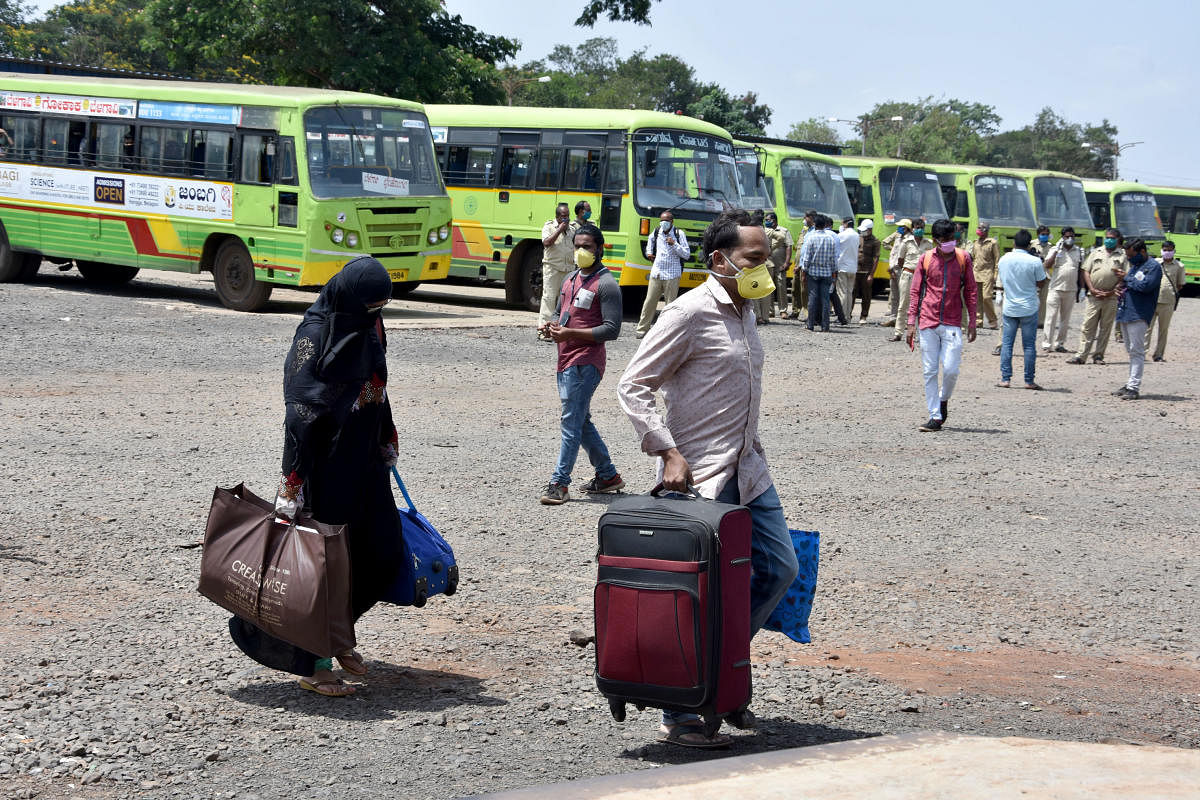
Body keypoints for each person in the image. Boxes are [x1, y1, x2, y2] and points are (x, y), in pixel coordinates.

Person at [617, 209, 797, 749]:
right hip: (699, 481)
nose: (766, 269)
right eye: (755, 259)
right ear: (719, 260)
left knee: (779, 569)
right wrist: (667, 451)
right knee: (697, 595)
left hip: (750, 469)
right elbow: (634, 385)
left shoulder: (746, 311)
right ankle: (682, 709)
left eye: (768, 259)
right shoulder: (688, 313)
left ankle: (718, 673)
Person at [230, 257, 403, 698]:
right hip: (323, 465)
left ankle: (337, 634)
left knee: (378, 553)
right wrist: (292, 485)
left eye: (380, 307)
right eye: (370, 306)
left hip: (364, 462)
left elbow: (378, 385)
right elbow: (301, 414)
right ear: (348, 296)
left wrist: (387, 436)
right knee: (320, 566)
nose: (375, 314)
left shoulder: (371, 322)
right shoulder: (315, 333)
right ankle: (315, 662)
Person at [538, 223, 624, 504]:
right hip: (565, 358)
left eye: (587, 247)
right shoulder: (571, 279)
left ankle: (559, 483)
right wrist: (553, 326)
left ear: (600, 248)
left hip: (586, 363)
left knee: (570, 422)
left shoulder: (607, 284)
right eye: (577, 246)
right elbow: (561, 312)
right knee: (580, 420)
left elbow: (612, 329)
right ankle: (607, 475)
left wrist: (571, 334)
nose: (581, 251)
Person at [905, 219, 977, 431]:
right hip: (928, 321)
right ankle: (935, 417)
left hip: (953, 321)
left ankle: (943, 399)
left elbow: (971, 290)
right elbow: (916, 292)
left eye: (951, 239)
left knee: (952, 369)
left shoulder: (963, 258)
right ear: (936, 240)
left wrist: (973, 321)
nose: (949, 243)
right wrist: (911, 322)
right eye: (944, 240)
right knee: (929, 371)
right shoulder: (925, 259)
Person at [995, 230, 1048, 390]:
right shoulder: (1034, 261)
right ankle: (1029, 380)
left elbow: (1003, 279)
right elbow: (1041, 282)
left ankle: (1005, 379)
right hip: (1029, 307)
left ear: (1014, 243)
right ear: (1029, 244)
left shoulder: (1004, 259)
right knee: (1029, 346)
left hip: (1010, 306)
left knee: (1007, 344)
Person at [1067, 228, 1127, 365]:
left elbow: (1124, 277)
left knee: (1105, 328)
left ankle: (1099, 356)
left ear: (1117, 240)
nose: (1109, 240)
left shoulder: (1122, 255)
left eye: (1112, 238)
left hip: (1111, 297)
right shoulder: (1096, 252)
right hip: (1094, 295)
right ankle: (1081, 356)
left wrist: (1111, 292)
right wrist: (1092, 289)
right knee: (1088, 326)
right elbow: (1086, 271)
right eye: (1107, 237)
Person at [1113, 238, 1163, 400]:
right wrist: (1120, 289)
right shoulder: (1135, 266)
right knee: (1130, 350)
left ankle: (1134, 387)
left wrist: (1126, 277)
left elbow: (1145, 286)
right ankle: (1129, 384)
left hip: (1139, 314)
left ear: (1142, 252)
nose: (1129, 258)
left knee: (1137, 351)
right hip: (1127, 312)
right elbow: (1131, 285)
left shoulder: (1153, 267)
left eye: (1131, 255)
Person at [636, 211, 690, 338]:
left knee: (670, 305)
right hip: (657, 272)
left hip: (672, 274)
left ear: (672, 222)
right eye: (662, 220)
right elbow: (649, 245)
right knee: (649, 302)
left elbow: (686, 254)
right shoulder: (656, 232)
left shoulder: (679, 234)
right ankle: (642, 330)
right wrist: (649, 253)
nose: (663, 223)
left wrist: (674, 244)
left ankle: (667, 332)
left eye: (666, 221)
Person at [888, 218, 933, 342]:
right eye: (917, 227)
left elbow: (931, 261)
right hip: (908, 275)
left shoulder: (928, 243)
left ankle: (918, 333)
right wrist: (910, 270)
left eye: (921, 228)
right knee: (903, 304)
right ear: (912, 229)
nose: (919, 230)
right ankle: (898, 333)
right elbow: (900, 260)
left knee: (922, 306)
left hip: (923, 277)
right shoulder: (906, 242)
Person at [537, 203, 578, 341]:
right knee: (549, 299)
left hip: (568, 269)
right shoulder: (549, 226)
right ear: (557, 216)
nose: (566, 219)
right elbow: (547, 242)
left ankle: (560, 332)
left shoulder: (572, 229)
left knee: (566, 301)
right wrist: (559, 229)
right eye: (563, 216)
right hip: (552, 268)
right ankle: (543, 331)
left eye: (567, 216)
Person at [1041, 227, 1083, 353]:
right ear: (1062, 237)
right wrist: (1057, 251)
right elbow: (1047, 265)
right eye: (1067, 236)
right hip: (1055, 288)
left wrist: (1082, 289)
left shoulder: (1078, 251)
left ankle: (1060, 343)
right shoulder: (1055, 249)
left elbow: (1080, 270)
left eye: (1072, 236)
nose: (1069, 239)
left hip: (1071, 289)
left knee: (1065, 319)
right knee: (1051, 317)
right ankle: (1047, 344)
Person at [799, 213, 840, 332]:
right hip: (827, 273)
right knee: (825, 300)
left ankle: (810, 325)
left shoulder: (811, 238)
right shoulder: (830, 239)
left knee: (812, 299)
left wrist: (803, 272)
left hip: (813, 273)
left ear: (815, 224)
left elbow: (807, 258)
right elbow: (834, 259)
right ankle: (825, 326)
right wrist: (834, 273)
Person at [1146, 241, 1184, 362]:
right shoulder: (1154, 263)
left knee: (1163, 330)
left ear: (1174, 251)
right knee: (1147, 328)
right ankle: (1141, 353)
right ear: (1161, 250)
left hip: (1168, 302)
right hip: (1152, 301)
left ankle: (1158, 355)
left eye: (1169, 250)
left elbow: (1180, 284)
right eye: (1165, 249)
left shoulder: (1179, 266)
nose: (1167, 252)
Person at [967, 223, 1000, 330]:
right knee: (977, 299)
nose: (979, 230)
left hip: (988, 274)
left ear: (986, 230)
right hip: (976, 273)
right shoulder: (975, 243)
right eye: (978, 227)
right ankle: (978, 320)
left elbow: (997, 260)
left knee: (987, 297)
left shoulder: (992, 243)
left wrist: (995, 275)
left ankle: (992, 320)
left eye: (981, 228)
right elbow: (973, 258)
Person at [879, 218, 909, 327]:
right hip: (893, 268)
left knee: (904, 295)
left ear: (907, 228)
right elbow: (887, 245)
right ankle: (893, 318)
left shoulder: (910, 239)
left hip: (902, 269)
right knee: (894, 295)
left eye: (902, 226)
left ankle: (904, 320)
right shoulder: (897, 235)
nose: (899, 228)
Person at [786, 210, 816, 319]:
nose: (804, 220)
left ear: (811, 218)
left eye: (806, 217)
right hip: (798, 264)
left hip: (805, 265)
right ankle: (796, 310)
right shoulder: (804, 230)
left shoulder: (814, 232)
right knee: (795, 288)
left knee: (804, 290)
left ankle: (807, 313)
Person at [764, 211, 792, 320]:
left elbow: (788, 247)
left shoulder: (784, 231)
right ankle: (770, 310)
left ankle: (783, 310)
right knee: (769, 287)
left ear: (774, 221)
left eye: (768, 220)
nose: (766, 222)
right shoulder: (765, 231)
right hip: (768, 263)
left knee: (781, 287)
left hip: (780, 264)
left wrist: (786, 262)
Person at [855, 218, 880, 323]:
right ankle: (848, 315)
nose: (863, 232)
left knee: (866, 295)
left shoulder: (875, 241)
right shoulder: (858, 238)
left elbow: (876, 258)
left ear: (870, 230)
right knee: (853, 293)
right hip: (856, 270)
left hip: (866, 272)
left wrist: (871, 275)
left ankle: (863, 316)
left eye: (865, 230)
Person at [835, 217, 860, 318]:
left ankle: (841, 316)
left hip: (842, 267)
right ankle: (847, 316)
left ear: (845, 224)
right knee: (849, 292)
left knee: (842, 293)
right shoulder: (857, 235)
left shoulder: (841, 235)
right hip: (853, 267)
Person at [1032, 225, 1052, 328]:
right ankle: (1029, 319)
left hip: (1046, 275)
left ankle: (1040, 321)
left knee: (1044, 300)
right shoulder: (1032, 244)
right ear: (1038, 234)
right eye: (1043, 234)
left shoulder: (1050, 246)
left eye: (1047, 234)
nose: (1045, 236)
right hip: (1033, 276)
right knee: (1033, 298)